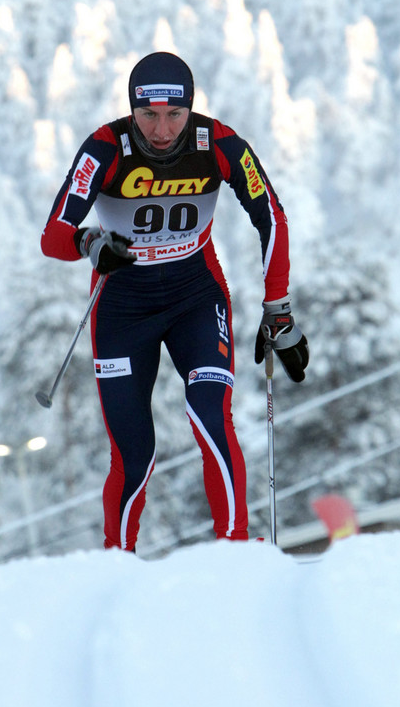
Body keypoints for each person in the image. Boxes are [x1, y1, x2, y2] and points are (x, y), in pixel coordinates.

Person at [41, 52, 308, 551]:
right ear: (131, 110)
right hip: (122, 308)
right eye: (148, 116)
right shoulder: (105, 147)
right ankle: (116, 564)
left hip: (195, 297)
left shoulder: (219, 142)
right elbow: (53, 235)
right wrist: (88, 243)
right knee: (133, 451)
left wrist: (279, 309)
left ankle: (235, 551)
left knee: (210, 413)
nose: (162, 131)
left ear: (191, 109)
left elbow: (271, 214)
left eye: (174, 115)